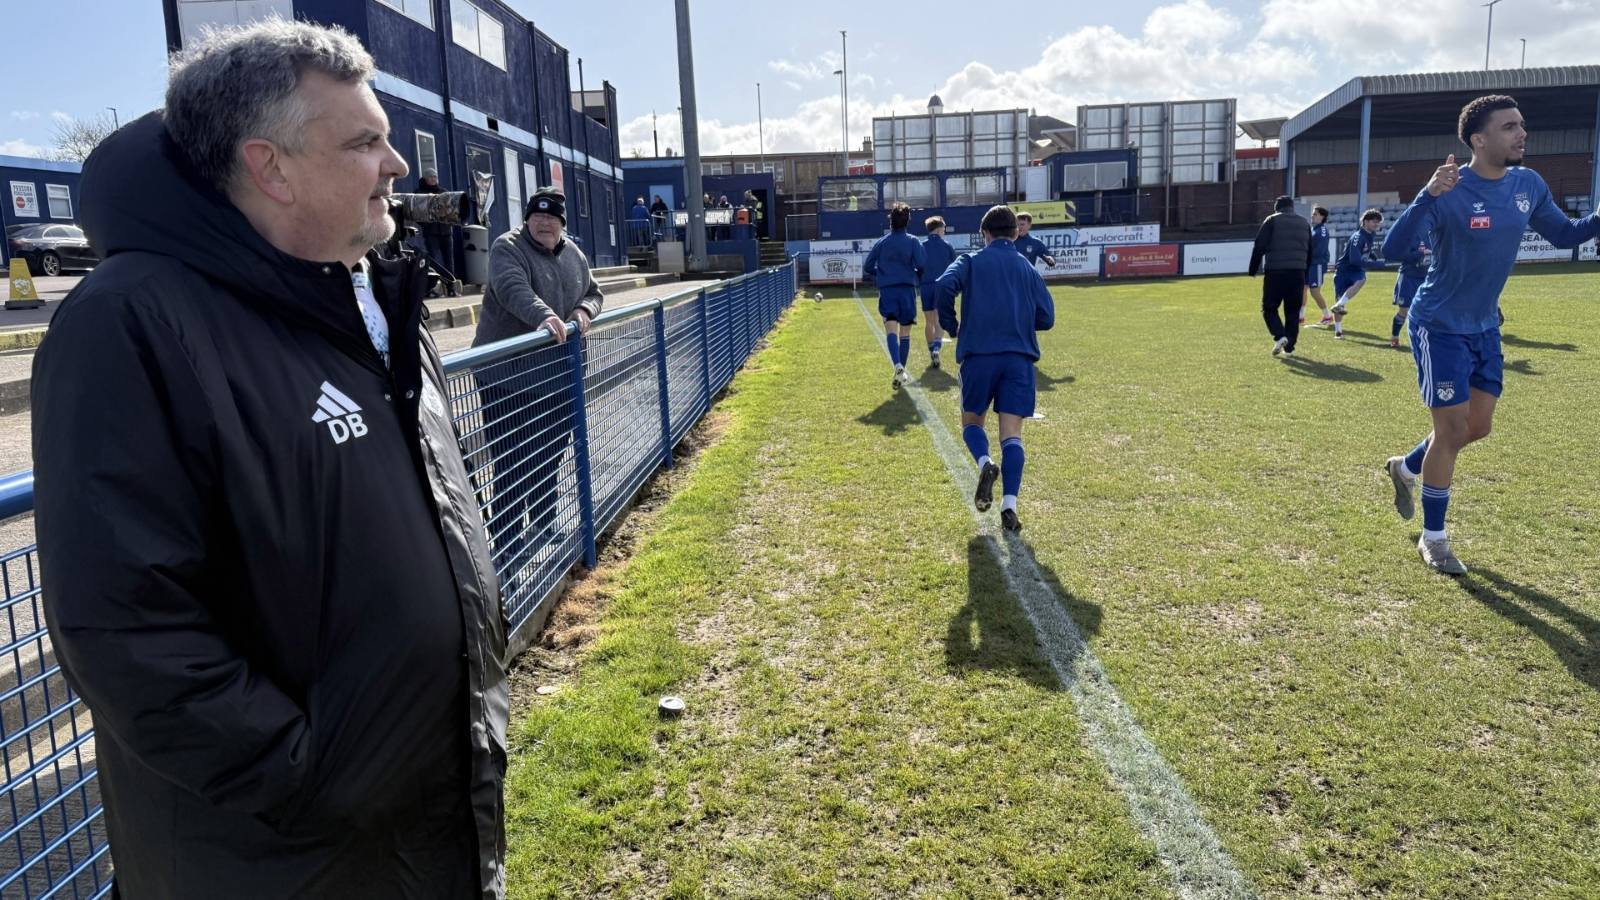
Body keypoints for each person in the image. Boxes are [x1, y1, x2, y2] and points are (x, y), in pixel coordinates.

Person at [30, 20, 507, 898]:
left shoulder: (369, 296)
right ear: (270, 167)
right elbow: (125, 624)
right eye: (363, 143)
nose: (395, 166)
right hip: (285, 857)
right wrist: (307, 776)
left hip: (429, 812)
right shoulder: (129, 322)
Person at [1380, 94, 1600, 575]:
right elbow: (1392, 249)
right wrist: (1427, 195)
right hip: (1438, 325)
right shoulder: (1449, 188)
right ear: (1479, 139)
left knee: (1476, 428)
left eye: (1521, 125)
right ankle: (1435, 540)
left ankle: (1406, 467)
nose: (1522, 133)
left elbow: (1564, 235)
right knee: (1451, 430)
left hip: (1484, 325)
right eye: (1509, 127)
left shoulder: (1528, 183)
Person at [474, 187, 604, 585]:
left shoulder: (573, 254)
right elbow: (512, 287)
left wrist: (583, 310)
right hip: (508, 379)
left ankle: (544, 522)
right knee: (513, 463)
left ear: (562, 224)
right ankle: (507, 545)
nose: (544, 223)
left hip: (559, 377)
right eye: (537, 216)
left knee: (550, 455)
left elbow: (594, 292)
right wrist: (544, 317)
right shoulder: (507, 247)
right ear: (527, 219)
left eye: (552, 218)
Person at [935, 205, 1055, 533]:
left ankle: (985, 463)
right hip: (1018, 359)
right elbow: (1047, 318)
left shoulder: (971, 260)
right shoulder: (1027, 268)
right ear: (1016, 234)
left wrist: (952, 324)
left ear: (984, 234)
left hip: (979, 356)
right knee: (1012, 434)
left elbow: (943, 285)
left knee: (972, 422)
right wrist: (1019, 321)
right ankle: (1009, 506)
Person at [862, 202, 926, 387]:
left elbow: (868, 266)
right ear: (907, 221)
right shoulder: (913, 241)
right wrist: (914, 276)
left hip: (888, 291)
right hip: (907, 291)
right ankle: (901, 370)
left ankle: (897, 366)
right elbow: (921, 265)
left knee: (891, 330)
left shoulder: (882, 242)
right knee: (905, 333)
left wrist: (882, 273)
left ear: (890, 221)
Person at [1248, 195, 1315, 358]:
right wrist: (1305, 271)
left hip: (1276, 271)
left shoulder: (1272, 220)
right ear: (1292, 207)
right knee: (1292, 311)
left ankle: (1280, 336)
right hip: (1297, 272)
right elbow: (1310, 250)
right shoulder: (1304, 223)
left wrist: (1253, 269)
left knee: (1269, 308)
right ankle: (1289, 348)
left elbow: (1259, 245)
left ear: (1277, 208)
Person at [1329, 209, 1384, 339]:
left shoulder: (1370, 234)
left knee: (1361, 280)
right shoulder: (1358, 237)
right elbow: (1354, 260)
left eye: (1378, 222)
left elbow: (1365, 249)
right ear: (1365, 222)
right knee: (1339, 299)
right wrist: (1376, 264)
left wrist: (1372, 255)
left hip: (1357, 270)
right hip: (1344, 270)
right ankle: (1338, 331)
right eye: (1374, 221)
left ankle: (1339, 305)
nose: (1376, 224)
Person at [919, 215, 957, 369]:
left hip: (926, 286)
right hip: (941, 286)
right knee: (939, 320)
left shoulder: (921, 246)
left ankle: (931, 351)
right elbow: (955, 267)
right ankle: (936, 349)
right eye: (944, 228)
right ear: (939, 229)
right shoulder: (947, 246)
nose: (944, 231)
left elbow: (917, 267)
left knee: (929, 321)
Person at [416, 166, 459, 296]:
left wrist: (450, 222)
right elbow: (416, 212)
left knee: (449, 261)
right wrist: (425, 225)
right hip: (431, 233)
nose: (434, 179)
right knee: (433, 261)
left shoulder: (443, 192)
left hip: (446, 231)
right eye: (431, 177)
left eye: (435, 177)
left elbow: (451, 209)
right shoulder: (419, 193)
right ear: (425, 178)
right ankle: (432, 289)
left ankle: (451, 288)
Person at [1390, 236, 1431, 349]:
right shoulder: (1411, 234)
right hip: (1408, 277)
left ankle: (1423, 339)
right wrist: (1421, 253)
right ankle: (1394, 337)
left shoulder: (1433, 235)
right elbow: (1403, 255)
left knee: (1426, 310)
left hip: (1425, 277)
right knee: (1404, 310)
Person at [1305, 206, 1334, 326]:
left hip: (1317, 264)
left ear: (1322, 217)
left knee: (1314, 291)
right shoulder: (1314, 228)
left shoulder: (1322, 230)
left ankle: (1328, 316)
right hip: (1310, 264)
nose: (1312, 216)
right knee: (1303, 288)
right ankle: (1300, 316)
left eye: (1315, 214)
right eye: (1313, 213)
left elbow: (1319, 251)